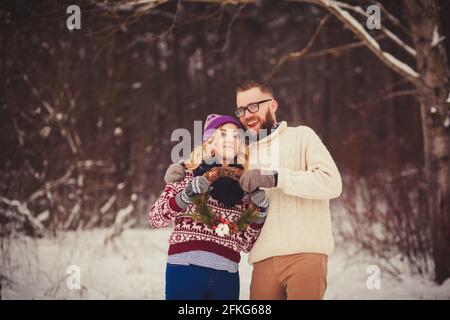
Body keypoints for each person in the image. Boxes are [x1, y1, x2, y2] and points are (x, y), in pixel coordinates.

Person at [164, 81, 343, 300]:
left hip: (304, 253)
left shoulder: (301, 137)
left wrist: (276, 177)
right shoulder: (244, 152)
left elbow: (332, 182)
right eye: (241, 109)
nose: (247, 115)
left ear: (273, 105)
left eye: (254, 106)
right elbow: (211, 162)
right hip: (262, 260)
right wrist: (183, 167)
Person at [149, 114, 270, 300]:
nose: (230, 140)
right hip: (186, 270)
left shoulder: (245, 187)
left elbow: (246, 243)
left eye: (236, 135)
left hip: (227, 276)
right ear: (209, 141)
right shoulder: (186, 175)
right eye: (223, 134)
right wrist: (185, 196)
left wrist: (260, 211)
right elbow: (156, 218)